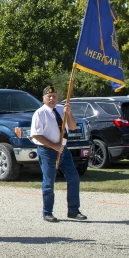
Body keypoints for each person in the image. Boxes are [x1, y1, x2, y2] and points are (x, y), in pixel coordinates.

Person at [30, 85, 87, 223]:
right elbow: (36, 135)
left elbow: (72, 126)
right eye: (49, 96)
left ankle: (73, 210)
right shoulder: (40, 113)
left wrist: (69, 113)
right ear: (43, 99)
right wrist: (54, 146)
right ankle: (47, 212)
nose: (52, 98)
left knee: (73, 177)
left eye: (54, 96)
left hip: (63, 150)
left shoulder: (62, 109)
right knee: (49, 182)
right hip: (47, 151)